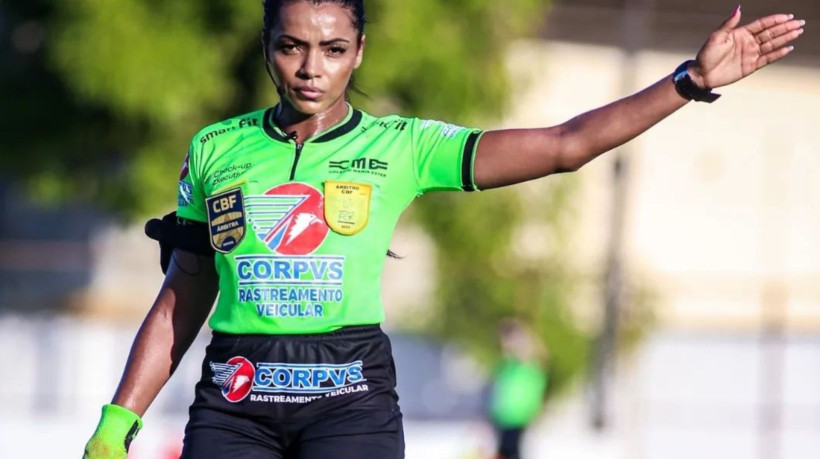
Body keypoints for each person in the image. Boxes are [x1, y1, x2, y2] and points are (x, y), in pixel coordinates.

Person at [82, 1, 805, 458]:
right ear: (267, 43)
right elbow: (184, 294)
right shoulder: (217, 148)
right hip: (235, 400)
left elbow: (564, 144)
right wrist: (118, 421)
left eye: (333, 49)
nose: (310, 68)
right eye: (291, 46)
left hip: (349, 401)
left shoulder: (403, 146)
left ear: (359, 51)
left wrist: (687, 81)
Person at [488, 320, 548, 459]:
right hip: (503, 417)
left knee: (512, 450)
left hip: (519, 417)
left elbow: (532, 393)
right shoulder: (507, 366)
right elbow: (500, 391)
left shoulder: (530, 368)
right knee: (503, 451)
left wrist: (532, 411)